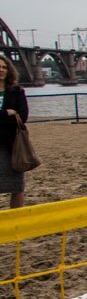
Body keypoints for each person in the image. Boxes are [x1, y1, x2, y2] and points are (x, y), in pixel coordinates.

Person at [0, 56, 30, 209]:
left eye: (4, 67)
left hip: (12, 144)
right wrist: (6, 113)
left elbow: (22, 116)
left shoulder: (17, 92)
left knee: (17, 186)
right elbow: (13, 116)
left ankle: (16, 218)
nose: (1, 70)